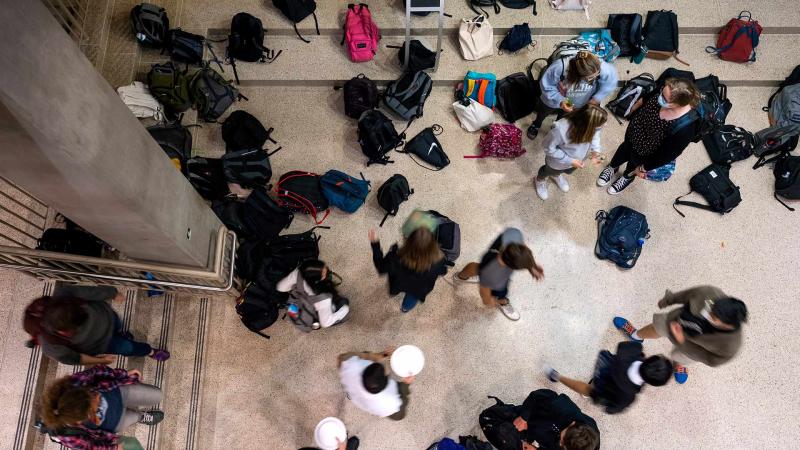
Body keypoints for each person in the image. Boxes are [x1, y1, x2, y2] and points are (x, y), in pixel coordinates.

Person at [613, 286, 748, 384]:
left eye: (713, 317)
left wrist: (682, 342)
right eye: (711, 309)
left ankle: (680, 364)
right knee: (657, 327)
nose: (707, 314)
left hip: (692, 349)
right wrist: (668, 300)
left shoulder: (731, 345)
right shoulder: (711, 294)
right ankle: (636, 335)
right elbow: (688, 294)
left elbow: (712, 360)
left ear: (727, 324)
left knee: (682, 357)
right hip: (674, 322)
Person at [596, 77, 702, 195]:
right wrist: (633, 109)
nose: (660, 97)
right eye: (662, 92)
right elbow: (646, 98)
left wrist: (644, 168)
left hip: (646, 152)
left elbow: (667, 155)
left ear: (678, 104)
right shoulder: (664, 91)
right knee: (623, 151)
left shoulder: (686, 128)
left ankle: (627, 177)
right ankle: (613, 167)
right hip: (633, 134)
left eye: (664, 99)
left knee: (633, 165)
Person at [29, 284, 170, 366]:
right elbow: (76, 359)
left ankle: (121, 334)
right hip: (105, 344)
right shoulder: (51, 346)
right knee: (128, 347)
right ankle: (150, 351)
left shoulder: (64, 293)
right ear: (63, 331)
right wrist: (100, 361)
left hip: (108, 317)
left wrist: (112, 293)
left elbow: (91, 291)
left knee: (119, 327)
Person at [39, 365, 164, 450]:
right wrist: (113, 448)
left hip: (117, 391)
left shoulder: (73, 384)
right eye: (94, 409)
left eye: (93, 396)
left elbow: (97, 372)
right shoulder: (66, 435)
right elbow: (91, 447)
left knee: (158, 396)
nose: (98, 400)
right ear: (78, 420)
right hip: (114, 424)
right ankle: (141, 416)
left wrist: (122, 374)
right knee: (134, 417)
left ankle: (139, 415)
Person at [543, 341, 672, 414]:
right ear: (652, 383)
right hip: (605, 390)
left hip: (607, 366)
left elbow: (622, 345)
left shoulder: (634, 350)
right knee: (588, 391)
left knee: (594, 381)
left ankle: (556, 376)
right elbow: (612, 409)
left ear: (649, 358)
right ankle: (559, 377)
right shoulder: (628, 396)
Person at [452, 228, 544, 321]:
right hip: (491, 273)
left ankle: (460, 276)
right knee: (501, 289)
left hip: (493, 252)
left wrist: (531, 266)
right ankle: (503, 301)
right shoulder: (494, 276)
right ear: (511, 268)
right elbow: (485, 297)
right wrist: (492, 301)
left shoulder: (514, 235)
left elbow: (523, 249)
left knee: (479, 268)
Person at [526, 50, 618, 140]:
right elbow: (546, 86)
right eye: (589, 78)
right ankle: (536, 124)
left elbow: (611, 78)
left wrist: (596, 98)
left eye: (597, 74)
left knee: (564, 117)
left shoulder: (596, 65)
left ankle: (556, 128)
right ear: (577, 74)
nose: (594, 78)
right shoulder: (560, 67)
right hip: (553, 100)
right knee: (543, 112)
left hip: (574, 103)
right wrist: (561, 100)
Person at [369, 212, 448, 312]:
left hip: (399, 283)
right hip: (419, 289)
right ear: (433, 242)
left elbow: (381, 267)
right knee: (412, 299)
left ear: (407, 240)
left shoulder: (395, 258)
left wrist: (375, 244)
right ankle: (405, 308)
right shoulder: (440, 259)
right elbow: (443, 271)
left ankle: (399, 295)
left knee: (398, 287)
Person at [534, 104, 608, 200]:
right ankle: (539, 180)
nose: (605, 125)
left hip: (576, 161)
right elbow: (548, 148)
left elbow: (595, 136)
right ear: (588, 124)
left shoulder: (593, 127)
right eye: (601, 124)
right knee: (547, 171)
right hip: (557, 162)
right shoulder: (560, 129)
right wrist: (570, 160)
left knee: (563, 171)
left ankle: (556, 175)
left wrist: (596, 150)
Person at [337, 348, 414, 420]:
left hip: (353, 392)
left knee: (354, 395)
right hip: (368, 403)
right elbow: (399, 416)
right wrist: (405, 385)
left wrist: (379, 355)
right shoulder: (389, 403)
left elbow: (343, 358)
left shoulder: (350, 364)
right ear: (385, 384)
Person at [512, 389, 600, 450]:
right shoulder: (563, 408)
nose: (560, 444)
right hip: (535, 418)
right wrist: (524, 418)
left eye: (563, 446)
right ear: (572, 423)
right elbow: (537, 395)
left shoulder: (590, 446)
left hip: (545, 438)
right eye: (562, 441)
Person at [277, 259, 350, 329]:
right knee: (344, 302)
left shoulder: (297, 273)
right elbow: (325, 323)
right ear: (316, 281)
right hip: (312, 313)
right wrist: (345, 309)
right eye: (324, 273)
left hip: (297, 306)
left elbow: (280, 287)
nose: (327, 270)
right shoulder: (323, 299)